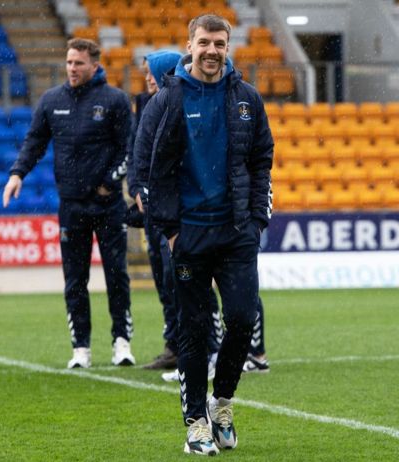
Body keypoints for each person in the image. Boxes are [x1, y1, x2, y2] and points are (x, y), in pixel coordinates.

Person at [133, 14, 273, 456]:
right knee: (193, 332)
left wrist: (255, 222)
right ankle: (196, 422)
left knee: (242, 320)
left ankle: (222, 402)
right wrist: (171, 232)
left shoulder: (247, 98)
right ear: (189, 46)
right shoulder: (167, 100)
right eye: (204, 42)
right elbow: (147, 168)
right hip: (189, 234)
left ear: (228, 46)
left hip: (236, 234)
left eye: (219, 43)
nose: (212, 50)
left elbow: (262, 160)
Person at [2, 38, 136, 369]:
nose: (71, 68)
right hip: (71, 206)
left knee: (116, 274)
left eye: (78, 63)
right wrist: (18, 173)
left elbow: (128, 150)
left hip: (107, 206)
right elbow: (35, 142)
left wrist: (108, 183)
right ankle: (81, 348)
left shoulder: (115, 100)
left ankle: (122, 342)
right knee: (75, 280)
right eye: (68, 62)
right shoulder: (52, 100)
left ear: (94, 65)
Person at [129, 49, 224, 372]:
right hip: (161, 211)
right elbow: (140, 154)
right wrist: (138, 190)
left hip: (188, 211)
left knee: (190, 281)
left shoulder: (187, 103)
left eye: (150, 74)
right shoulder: (149, 104)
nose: (147, 79)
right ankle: (180, 348)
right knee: (170, 282)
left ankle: (212, 349)